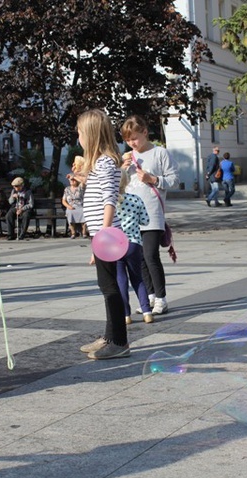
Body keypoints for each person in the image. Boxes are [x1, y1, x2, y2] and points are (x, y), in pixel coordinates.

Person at [77, 109, 129, 360]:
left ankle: (119, 342)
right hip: (102, 235)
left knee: (110, 288)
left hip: (107, 236)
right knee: (106, 285)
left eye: (80, 132)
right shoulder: (100, 163)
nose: (78, 137)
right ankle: (110, 336)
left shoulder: (106, 162)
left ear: (91, 134)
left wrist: (103, 237)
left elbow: (110, 201)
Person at [121, 115, 179, 315]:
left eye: (134, 138)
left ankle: (161, 298)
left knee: (150, 255)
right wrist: (121, 169)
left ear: (145, 132)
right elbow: (121, 185)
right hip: (131, 214)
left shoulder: (160, 153)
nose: (131, 143)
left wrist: (152, 179)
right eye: (128, 140)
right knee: (139, 258)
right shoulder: (128, 156)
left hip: (152, 211)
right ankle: (150, 296)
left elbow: (173, 179)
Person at [115, 169, 153, 325]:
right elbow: (145, 221)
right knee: (138, 278)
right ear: (127, 182)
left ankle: (126, 315)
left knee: (120, 279)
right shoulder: (135, 199)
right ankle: (146, 312)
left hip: (116, 245)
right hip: (134, 243)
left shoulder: (110, 203)